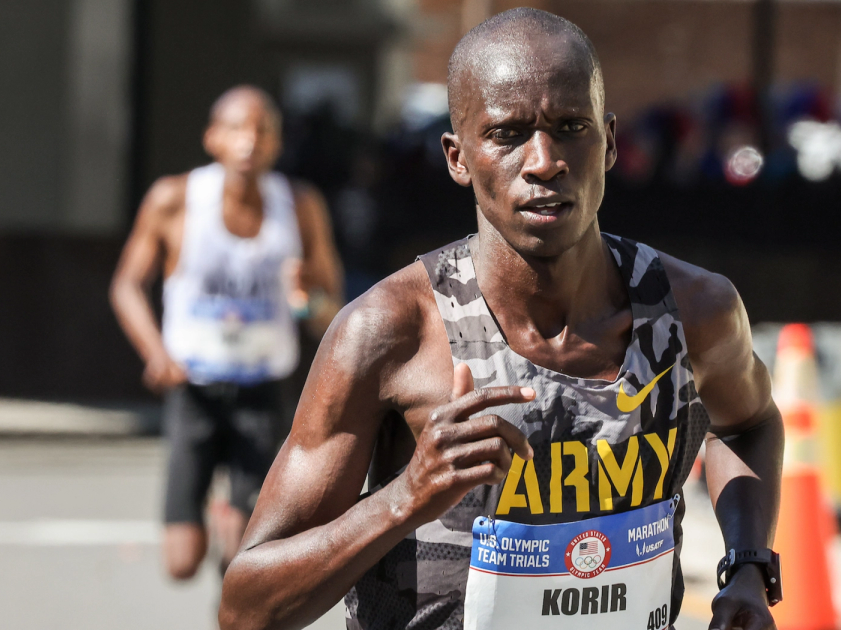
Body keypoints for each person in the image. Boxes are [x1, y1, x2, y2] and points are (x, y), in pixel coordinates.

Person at [220, 9, 782, 630]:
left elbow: (749, 421)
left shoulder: (694, 312)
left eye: (571, 127)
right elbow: (246, 608)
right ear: (459, 158)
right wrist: (404, 499)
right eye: (508, 134)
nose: (544, 161)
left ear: (611, 143)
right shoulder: (392, 331)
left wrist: (749, 565)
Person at [110, 85, 343, 581]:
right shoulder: (175, 199)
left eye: (263, 131)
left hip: (262, 390)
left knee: (244, 562)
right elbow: (127, 286)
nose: (250, 142)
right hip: (193, 386)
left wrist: (307, 300)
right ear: (212, 138)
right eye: (237, 129)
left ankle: (233, 531)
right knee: (181, 563)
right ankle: (214, 519)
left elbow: (332, 311)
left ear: (278, 144)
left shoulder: (300, 206)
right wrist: (156, 353)